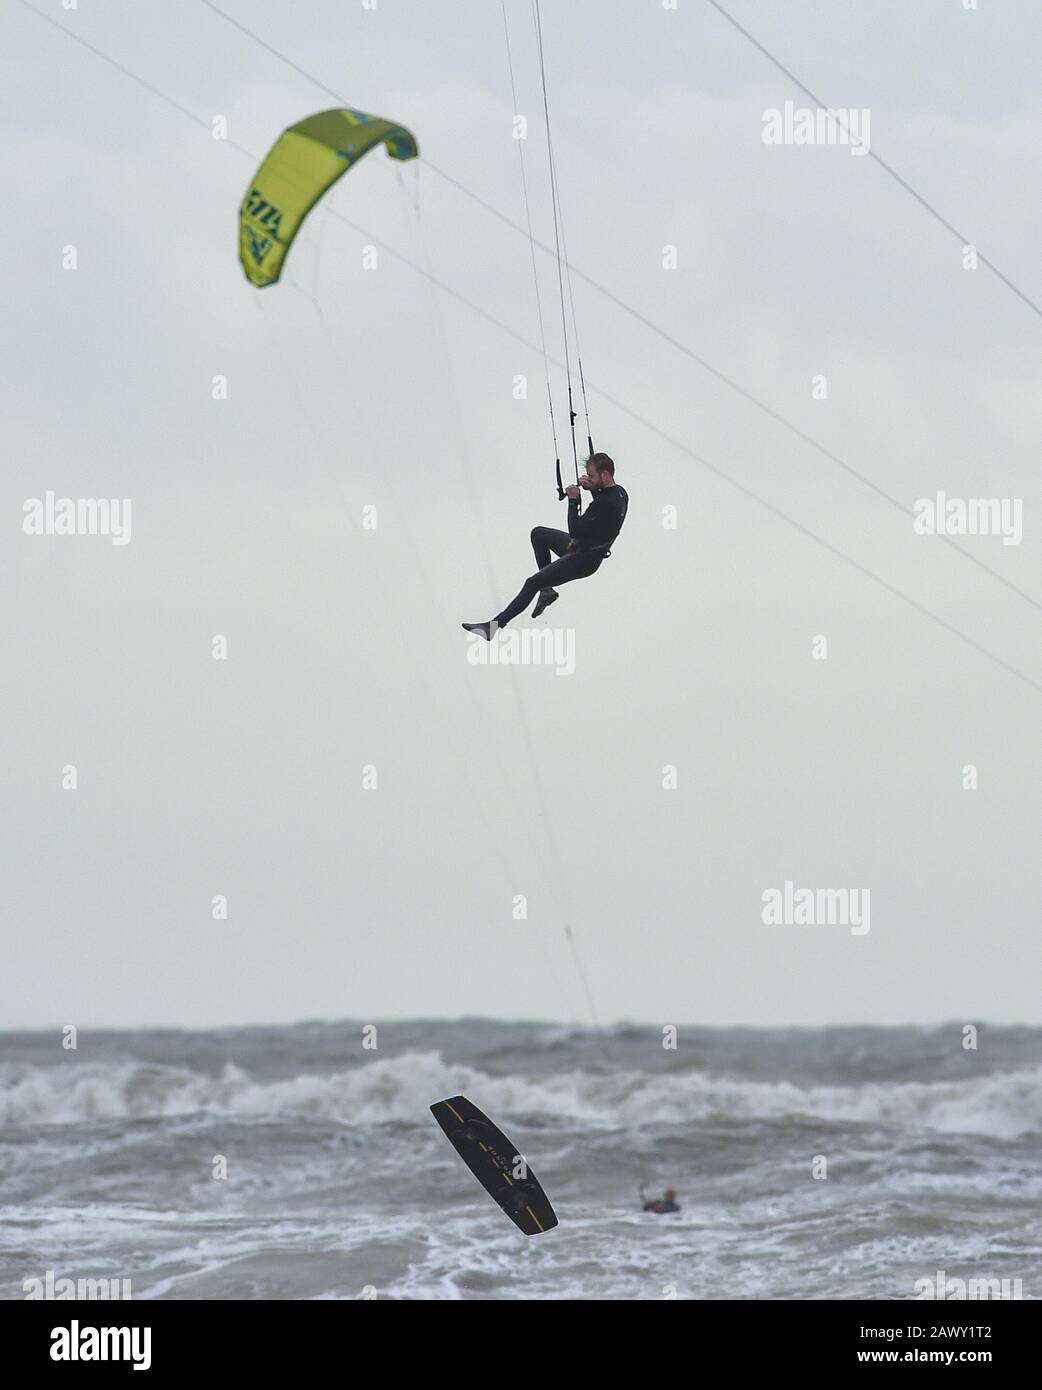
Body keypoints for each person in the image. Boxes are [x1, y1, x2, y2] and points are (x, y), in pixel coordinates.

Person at [462, 452, 628, 639]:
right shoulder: (620, 493)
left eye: (591, 476)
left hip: (584, 559)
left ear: (604, 475)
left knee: (532, 582)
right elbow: (601, 510)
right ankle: (547, 592)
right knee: (539, 534)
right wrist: (592, 489)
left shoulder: (605, 503)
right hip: (582, 548)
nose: (587, 478)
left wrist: (573, 500)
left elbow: (575, 529)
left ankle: (492, 627)